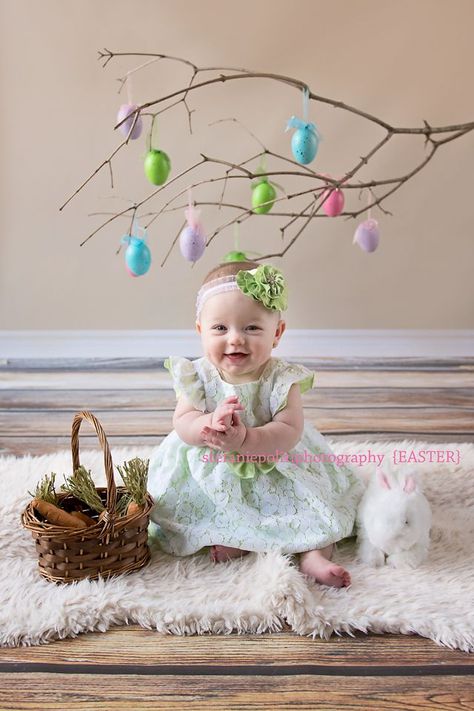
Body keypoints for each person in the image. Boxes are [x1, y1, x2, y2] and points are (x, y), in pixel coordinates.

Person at [147, 259, 365, 588]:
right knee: (196, 508)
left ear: (277, 333)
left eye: (251, 328)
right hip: (213, 467)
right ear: (200, 331)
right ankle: (236, 539)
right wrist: (206, 424)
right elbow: (183, 422)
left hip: (277, 463)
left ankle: (314, 555)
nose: (235, 339)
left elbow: (289, 430)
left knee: (315, 507)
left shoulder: (282, 378)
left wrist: (246, 438)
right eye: (220, 328)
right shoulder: (198, 376)